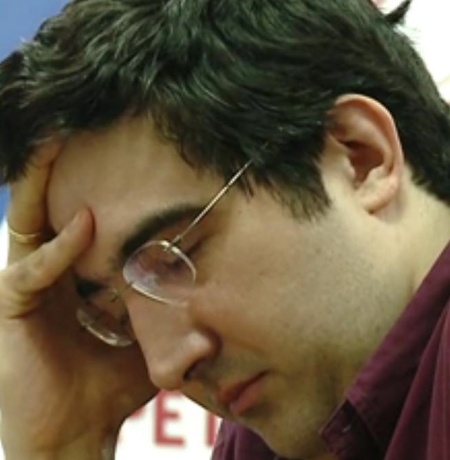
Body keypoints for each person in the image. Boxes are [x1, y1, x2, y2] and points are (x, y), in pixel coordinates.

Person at [0, 0, 448, 459]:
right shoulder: (269, 437)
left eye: (173, 259)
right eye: (116, 315)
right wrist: (64, 448)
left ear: (361, 157)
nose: (164, 367)